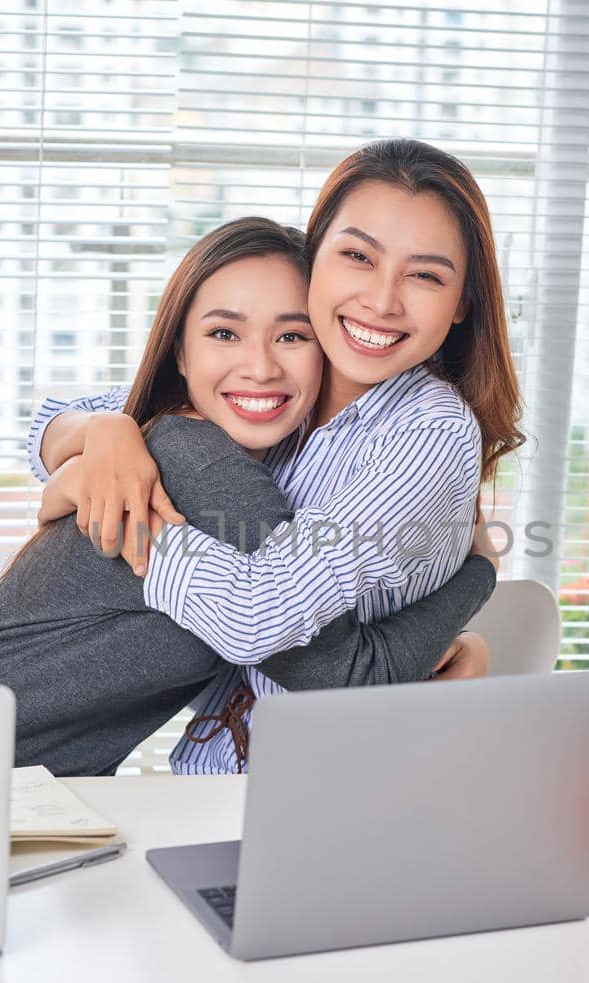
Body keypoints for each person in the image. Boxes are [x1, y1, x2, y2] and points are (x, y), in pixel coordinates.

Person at [0, 218, 496, 776]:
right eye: (223, 333)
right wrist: (479, 572)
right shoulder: (201, 461)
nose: (259, 367)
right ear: (180, 354)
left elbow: (51, 421)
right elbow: (345, 677)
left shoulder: (198, 443)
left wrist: (105, 429)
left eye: (292, 334)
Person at [29, 139, 525, 774]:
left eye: (425, 275)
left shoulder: (428, 431)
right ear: (314, 260)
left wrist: (122, 514)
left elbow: (256, 618)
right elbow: (46, 425)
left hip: (335, 795)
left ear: (462, 304)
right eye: (357, 257)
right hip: (210, 782)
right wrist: (105, 433)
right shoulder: (281, 385)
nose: (382, 300)